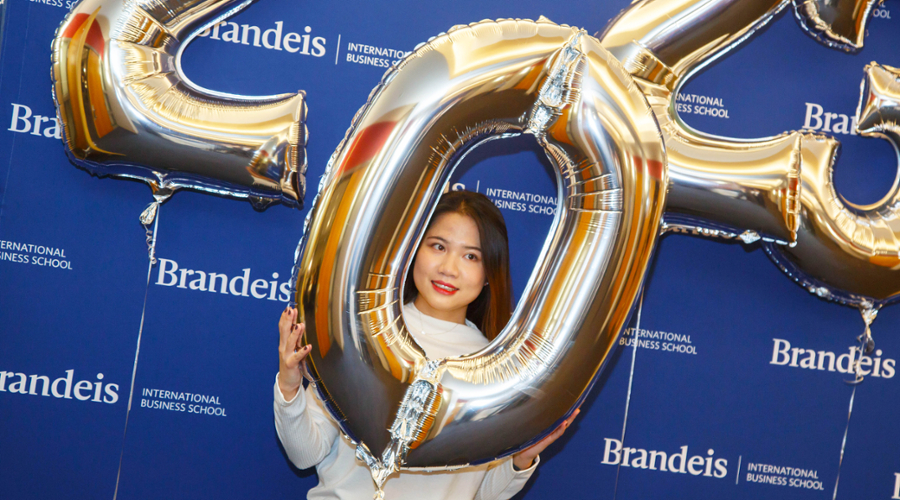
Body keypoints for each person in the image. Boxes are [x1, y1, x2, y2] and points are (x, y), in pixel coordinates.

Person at [275, 190, 579, 499]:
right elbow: (305, 455)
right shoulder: (362, 333)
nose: (449, 267)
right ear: (413, 249)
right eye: (438, 246)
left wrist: (522, 457)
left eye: (471, 256)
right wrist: (289, 386)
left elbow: (481, 492)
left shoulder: (497, 367)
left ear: (489, 273)